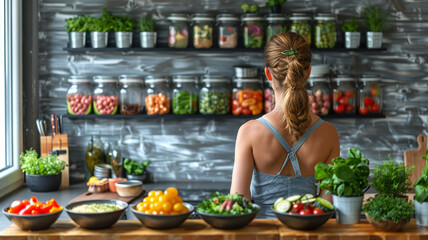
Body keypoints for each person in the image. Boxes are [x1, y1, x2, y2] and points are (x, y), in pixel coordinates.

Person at [230, 32, 340, 219]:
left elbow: (238, 202)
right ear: (308, 72)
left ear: (268, 74)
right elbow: (326, 205)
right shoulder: (329, 133)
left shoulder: (248, 132)